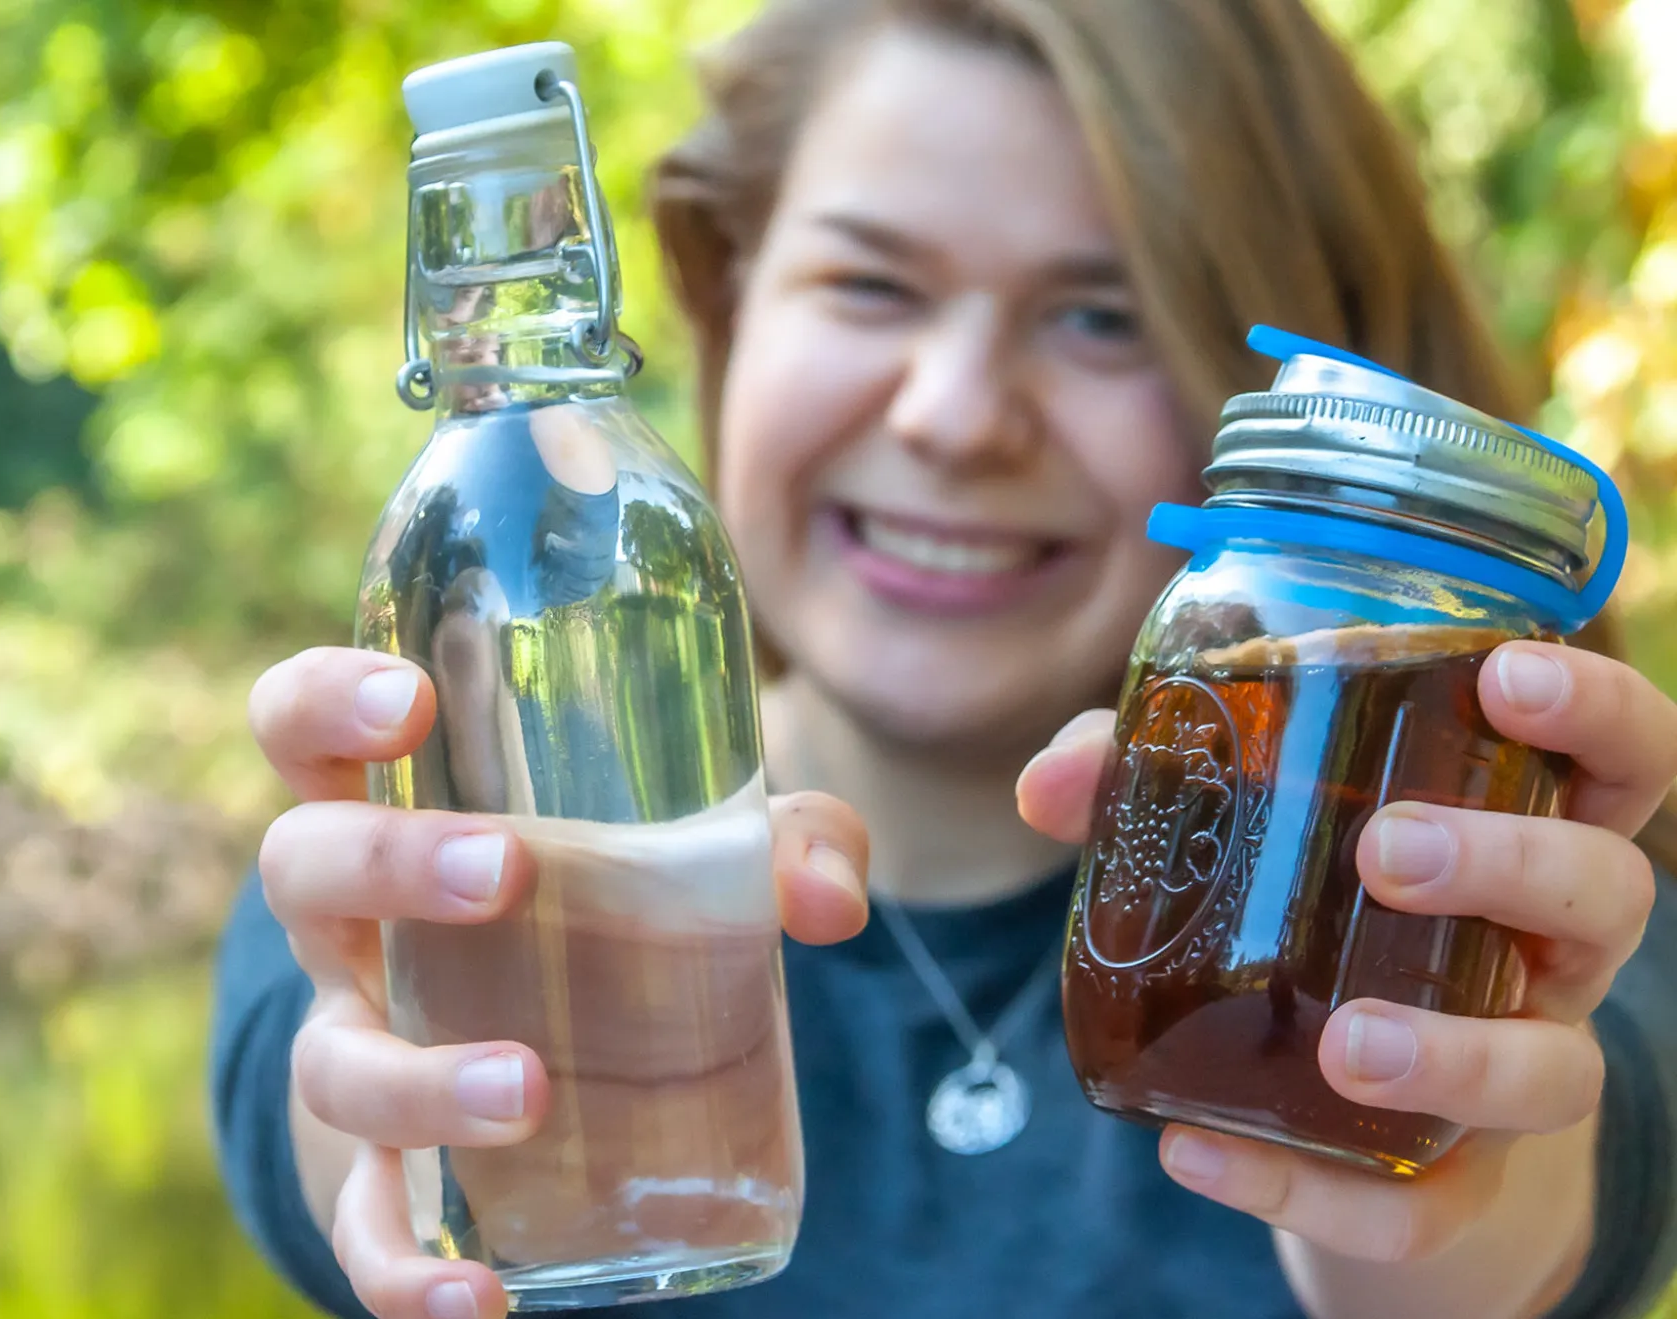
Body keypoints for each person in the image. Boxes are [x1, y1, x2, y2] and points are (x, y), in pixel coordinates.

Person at [213, 1, 1677, 1316]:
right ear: (724, 298)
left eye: (1101, 315)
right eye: (872, 285)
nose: (957, 415)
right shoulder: (412, 880)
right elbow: (335, 1106)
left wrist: (1436, 1211)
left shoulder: (1512, 900)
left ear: (1289, 413)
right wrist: (406, 1119)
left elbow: (1534, 1215)